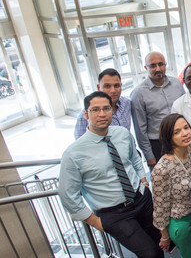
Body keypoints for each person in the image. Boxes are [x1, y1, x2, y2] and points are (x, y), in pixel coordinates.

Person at [59, 91, 162, 258]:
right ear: (85, 114)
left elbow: (134, 158)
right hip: (114, 214)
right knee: (148, 253)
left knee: (159, 243)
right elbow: (68, 195)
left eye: (106, 108)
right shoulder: (73, 154)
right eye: (95, 109)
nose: (102, 114)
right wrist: (95, 222)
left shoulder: (122, 133)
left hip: (141, 199)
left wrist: (143, 181)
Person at [151, 114, 191, 258]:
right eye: (177, 132)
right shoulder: (161, 169)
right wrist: (164, 235)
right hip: (182, 221)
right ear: (168, 137)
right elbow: (160, 206)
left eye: (186, 128)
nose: (185, 133)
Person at [131, 52, 185, 167]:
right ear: (146, 68)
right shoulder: (138, 94)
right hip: (157, 144)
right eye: (153, 66)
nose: (158, 69)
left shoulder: (176, 84)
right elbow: (140, 129)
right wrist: (149, 155)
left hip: (181, 139)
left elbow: (185, 110)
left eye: (161, 64)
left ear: (166, 65)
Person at [74, 68, 132, 139]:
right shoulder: (86, 115)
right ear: (99, 87)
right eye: (107, 86)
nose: (113, 91)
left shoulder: (126, 103)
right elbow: (81, 144)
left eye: (116, 85)